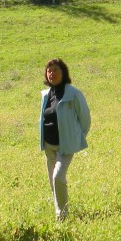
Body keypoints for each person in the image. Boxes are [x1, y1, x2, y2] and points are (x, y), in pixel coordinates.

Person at [39, 58, 91, 221]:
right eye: (49, 71)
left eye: (55, 70)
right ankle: (60, 210)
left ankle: (61, 216)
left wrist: (75, 137)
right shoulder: (45, 95)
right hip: (49, 145)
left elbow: (85, 119)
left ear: (63, 73)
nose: (52, 73)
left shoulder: (73, 93)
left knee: (58, 177)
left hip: (65, 145)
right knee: (52, 182)